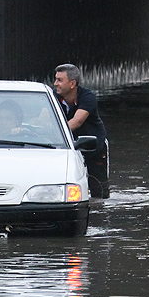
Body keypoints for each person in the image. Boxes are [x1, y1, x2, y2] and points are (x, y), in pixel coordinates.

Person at [53, 63, 110, 198]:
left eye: (60, 80)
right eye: (55, 79)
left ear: (72, 84)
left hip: (94, 147)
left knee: (99, 191)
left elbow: (77, 121)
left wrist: (55, 133)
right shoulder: (53, 97)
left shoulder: (88, 97)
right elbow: (43, 118)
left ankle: (99, 214)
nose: (55, 84)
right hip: (67, 146)